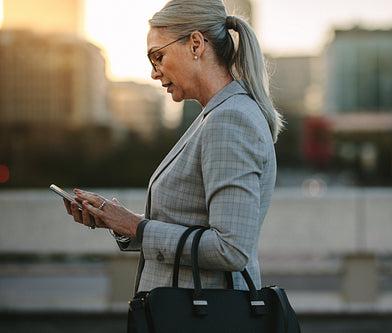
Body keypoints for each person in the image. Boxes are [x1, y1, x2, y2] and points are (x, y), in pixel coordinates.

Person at [63, 0, 282, 293]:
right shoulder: (216, 115)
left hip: (204, 316)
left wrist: (135, 226)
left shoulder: (229, 119)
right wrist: (118, 222)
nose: (154, 72)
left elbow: (230, 248)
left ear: (195, 44)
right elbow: (192, 226)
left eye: (158, 56)